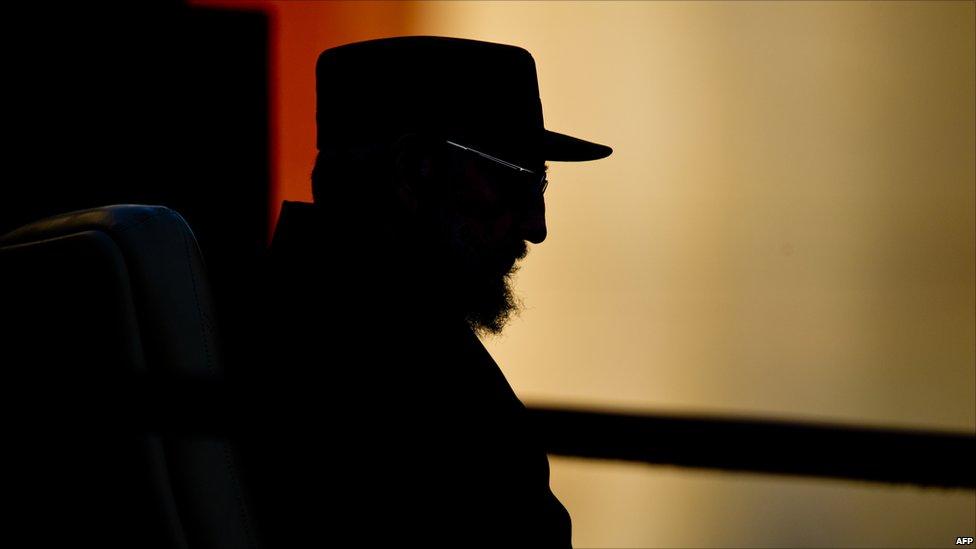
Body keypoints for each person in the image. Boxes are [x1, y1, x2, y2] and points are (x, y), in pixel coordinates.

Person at [242, 36, 612, 547]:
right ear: (412, 172)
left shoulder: (254, 318)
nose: (537, 225)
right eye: (517, 182)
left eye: (540, 188)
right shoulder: (427, 390)